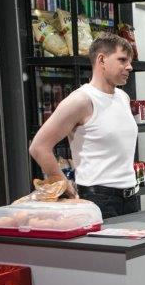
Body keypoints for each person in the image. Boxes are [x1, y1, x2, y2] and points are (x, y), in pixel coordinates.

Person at [29, 33, 139, 218]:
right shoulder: (81, 100)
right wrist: (63, 184)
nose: (129, 66)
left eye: (129, 61)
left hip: (131, 197)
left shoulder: (123, 97)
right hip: (98, 200)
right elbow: (39, 147)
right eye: (122, 60)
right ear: (102, 60)